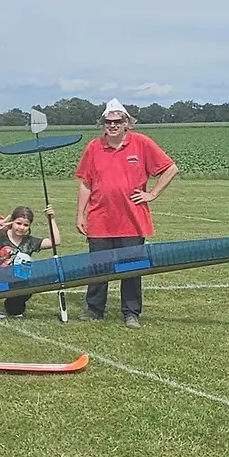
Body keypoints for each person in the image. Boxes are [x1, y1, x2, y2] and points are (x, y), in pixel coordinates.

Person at [75, 99, 179, 329]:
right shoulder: (94, 147)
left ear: (126, 123)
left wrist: (152, 194)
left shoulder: (141, 143)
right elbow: (86, 183)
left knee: (131, 268)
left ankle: (131, 312)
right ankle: (94, 309)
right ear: (102, 124)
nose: (112, 126)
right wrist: (80, 214)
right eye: (107, 122)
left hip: (132, 220)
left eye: (117, 122)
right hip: (99, 218)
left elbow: (170, 168)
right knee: (98, 267)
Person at [0, 205, 61, 318]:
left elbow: (55, 241)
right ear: (12, 222)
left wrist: (51, 219)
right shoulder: (0, 236)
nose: (21, 227)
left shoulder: (30, 241)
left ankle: (13, 304)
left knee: (15, 310)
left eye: (25, 225)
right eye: (18, 223)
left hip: (16, 279)